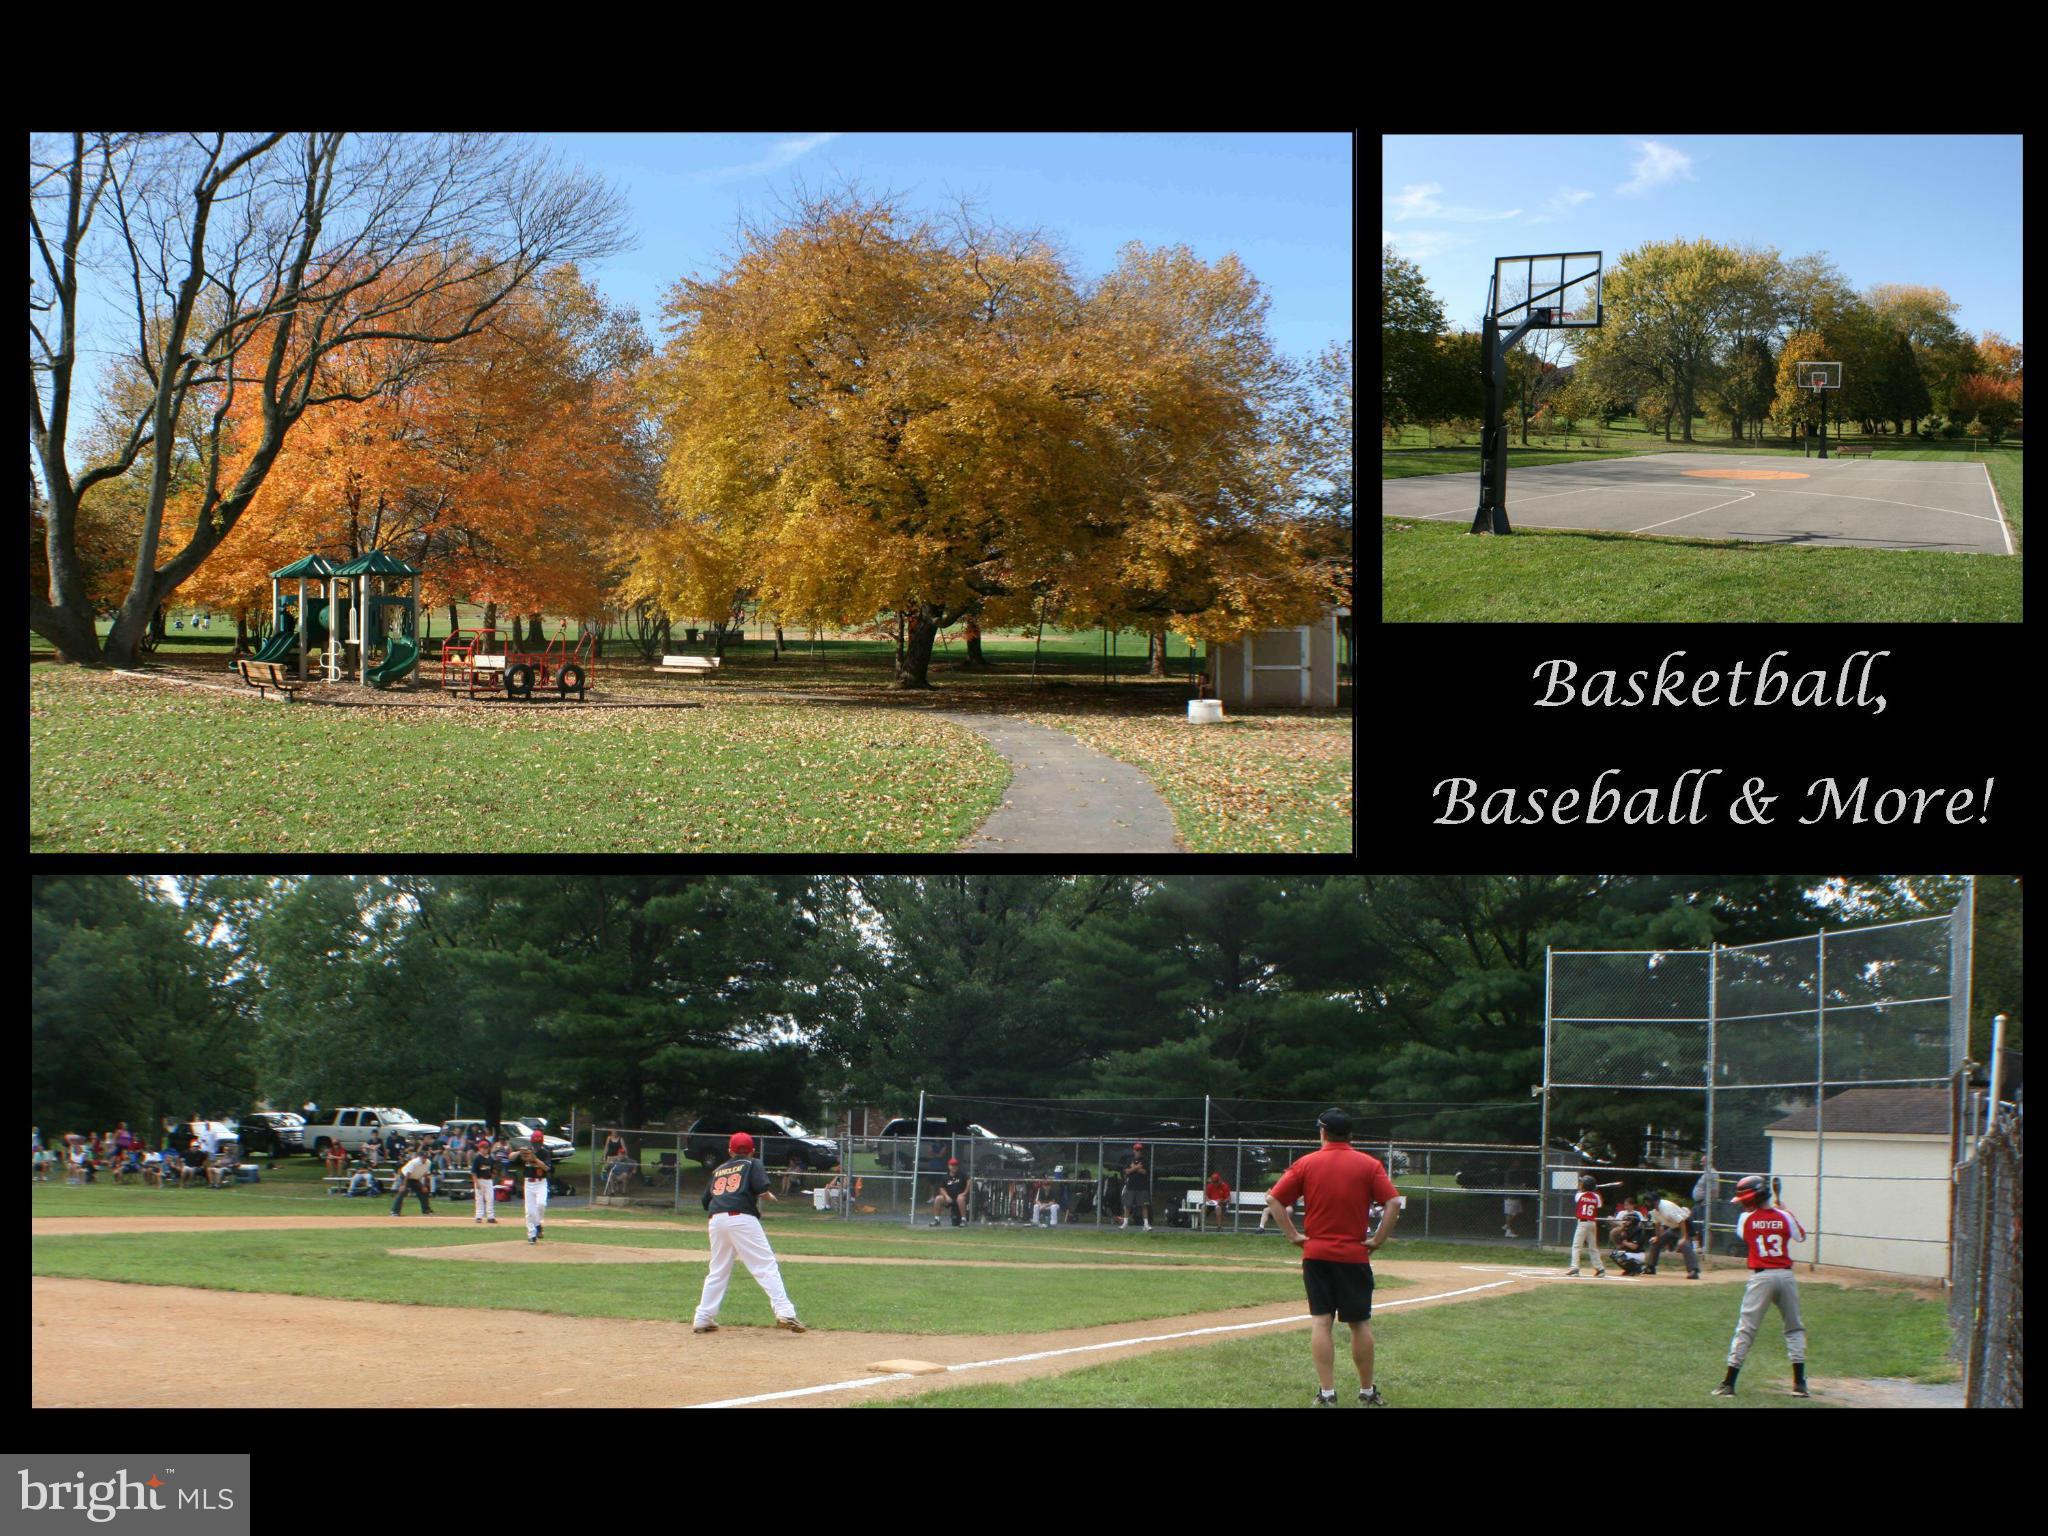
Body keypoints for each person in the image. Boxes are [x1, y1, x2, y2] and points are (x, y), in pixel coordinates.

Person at [1267, 1110, 1396, 1407]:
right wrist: (1377, 1240)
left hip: (1317, 1254)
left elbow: (1274, 1198)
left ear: (1323, 1132)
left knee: (1321, 1322)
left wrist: (1293, 1236)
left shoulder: (1306, 1163)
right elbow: (1391, 1202)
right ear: (1350, 1135)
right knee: (1359, 1323)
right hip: (1354, 1255)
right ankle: (1366, 1391)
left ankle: (1327, 1393)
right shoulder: (1368, 1164)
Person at [691, 1132, 805, 1334]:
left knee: (718, 1270)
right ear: (753, 1150)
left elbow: (705, 1201)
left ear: (729, 1150)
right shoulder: (752, 1163)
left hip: (716, 1219)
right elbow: (761, 1189)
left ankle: (703, 1318)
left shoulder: (718, 1169)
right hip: (741, 1218)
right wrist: (769, 1196)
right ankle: (785, 1312)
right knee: (765, 1265)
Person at [1712, 1176, 1810, 1399]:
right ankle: (1799, 1384)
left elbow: (1746, 1233)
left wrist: (1771, 1216)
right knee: (1794, 1328)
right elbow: (1801, 1236)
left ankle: (1729, 1383)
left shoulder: (1746, 1219)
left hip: (1761, 1278)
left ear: (1754, 1197)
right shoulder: (1784, 1216)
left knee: (1746, 1329)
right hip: (1786, 1277)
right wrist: (1785, 1212)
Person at [1643, 1193, 1700, 1278]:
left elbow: (1681, 1221)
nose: (1648, 1204)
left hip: (1685, 1225)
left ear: (1657, 1202)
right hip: (1674, 1227)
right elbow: (1657, 1224)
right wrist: (1657, 1237)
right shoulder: (1654, 1210)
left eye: (1649, 1202)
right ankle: (1651, 1267)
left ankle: (1693, 1271)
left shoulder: (1667, 1208)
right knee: (1656, 1242)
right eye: (1647, 1202)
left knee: (1683, 1244)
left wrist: (1684, 1237)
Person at [1564, 1174, 1608, 1277]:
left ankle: (1575, 1267)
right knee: (1593, 1247)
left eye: (1582, 1183)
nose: (1580, 1185)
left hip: (1582, 1223)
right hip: (1592, 1224)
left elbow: (1580, 1196)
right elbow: (1599, 1205)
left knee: (1577, 1246)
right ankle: (1600, 1269)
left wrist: (1590, 1191)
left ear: (1585, 1186)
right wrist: (1593, 1192)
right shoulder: (1596, 1196)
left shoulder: (1579, 1195)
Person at [519, 1130, 551, 1243]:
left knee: (541, 1204)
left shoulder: (545, 1153)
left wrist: (535, 1159)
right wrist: (519, 1152)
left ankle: (538, 1224)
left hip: (541, 1182)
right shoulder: (527, 1151)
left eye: (538, 1143)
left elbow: (547, 1168)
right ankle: (532, 1234)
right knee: (530, 1211)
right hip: (528, 1183)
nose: (536, 1145)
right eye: (535, 1143)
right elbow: (510, 1157)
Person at [391, 1145, 434, 1216]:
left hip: (415, 1178)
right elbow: (408, 1174)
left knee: (423, 1192)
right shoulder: (414, 1162)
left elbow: (425, 1174)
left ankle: (426, 1210)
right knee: (402, 1192)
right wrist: (403, 1185)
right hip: (405, 1177)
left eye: (426, 1157)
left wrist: (424, 1186)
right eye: (423, 1157)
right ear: (419, 1157)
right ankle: (394, 1211)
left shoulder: (428, 1162)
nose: (424, 1159)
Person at [928, 1158, 968, 1227]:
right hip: (949, 1199)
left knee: (960, 1198)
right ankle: (937, 1220)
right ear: (949, 1166)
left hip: (959, 1198)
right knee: (938, 1198)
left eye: (955, 1165)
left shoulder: (962, 1174)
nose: (954, 1167)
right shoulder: (945, 1176)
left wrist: (965, 1192)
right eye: (952, 1165)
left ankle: (964, 1220)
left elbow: (969, 1181)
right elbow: (941, 1188)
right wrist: (946, 1196)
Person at [1121, 1147, 1152, 1232]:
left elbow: (1145, 1172)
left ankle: (1146, 1224)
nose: (1138, 1152)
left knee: (1144, 1205)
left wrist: (1135, 1168)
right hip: (1130, 1186)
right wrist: (1136, 1168)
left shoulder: (1145, 1160)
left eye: (1140, 1150)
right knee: (1128, 1205)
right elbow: (1126, 1171)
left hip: (1142, 1186)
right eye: (1137, 1150)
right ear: (1134, 1150)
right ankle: (1125, 1222)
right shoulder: (1129, 1160)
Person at [471, 1137, 499, 1224]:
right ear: (480, 1148)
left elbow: (493, 1169)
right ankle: (479, 1217)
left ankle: (490, 1217)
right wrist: (476, 1182)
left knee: (490, 1198)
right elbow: (473, 1172)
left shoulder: (490, 1158)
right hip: (479, 1180)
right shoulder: (477, 1158)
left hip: (488, 1181)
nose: (485, 1149)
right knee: (479, 1199)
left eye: (486, 1147)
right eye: (483, 1147)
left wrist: (494, 1174)